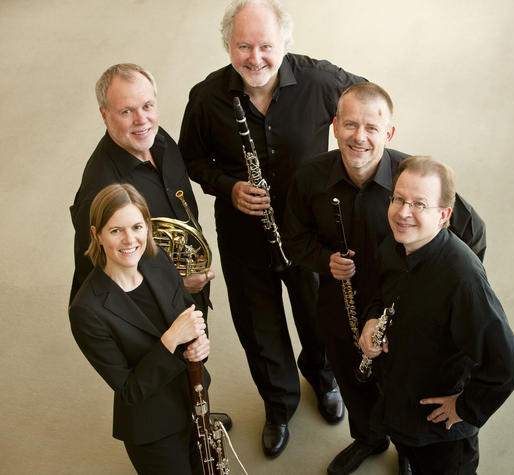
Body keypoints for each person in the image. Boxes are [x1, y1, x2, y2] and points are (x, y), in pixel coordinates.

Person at [178, 0, 364, 457]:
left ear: (285, 44)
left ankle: (324, 381)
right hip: (245, 236)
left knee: (318, 316)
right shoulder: (207, 97)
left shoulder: (320, 81)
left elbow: (366, 108)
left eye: (266, 46)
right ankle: (279, 405)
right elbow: (192, 160)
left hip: (307, 231)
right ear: (228, 45)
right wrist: (229, 186)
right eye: (243, 46)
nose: (255, 58)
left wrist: (345, 160)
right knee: (258, 327)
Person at [282, 82, 486, 475]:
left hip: (405, 310)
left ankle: (408, 448)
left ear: (388, 134)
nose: (360, 137)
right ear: (335, 126)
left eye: (372, 128)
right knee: (353, 378)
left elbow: (472, 233)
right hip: (343, 305)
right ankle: (369, 438)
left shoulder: (414, 180)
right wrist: (325, 260)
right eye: (350, 125)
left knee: (406, 381)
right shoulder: (310, 178)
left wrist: (441, 287)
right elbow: (293, 237)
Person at [70, 63, 231, 429]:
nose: (141, 120)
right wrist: (175, 281)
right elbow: (98, 268)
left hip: (186, 284)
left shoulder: (159, 141)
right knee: (161, 369)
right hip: (149, 303)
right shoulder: (101, 189)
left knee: (195, 355)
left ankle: (198, 407)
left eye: (147, 105)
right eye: (126, 111)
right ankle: (184, 424)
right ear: (104, 115)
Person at [359, 156, 514, 474]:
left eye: (419, 204)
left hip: (440, 432)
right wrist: (370, 320)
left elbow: (507, 363)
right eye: (399, 199)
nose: (403, 213)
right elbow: (379, 296)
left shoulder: (463, 280)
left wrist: (464, 407)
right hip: (401, 399)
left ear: (444, 215)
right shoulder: (394, 244)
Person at [69, 183, 210, 474]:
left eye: (137, 226)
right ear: (97, 235)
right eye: (115, 230)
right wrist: (171, 341)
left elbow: (189, 314)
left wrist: (200, 342)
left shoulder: (157, 260)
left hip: (195, 396)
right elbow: (129, 390)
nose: (130, 240)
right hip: (153, 427)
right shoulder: (87, 310)